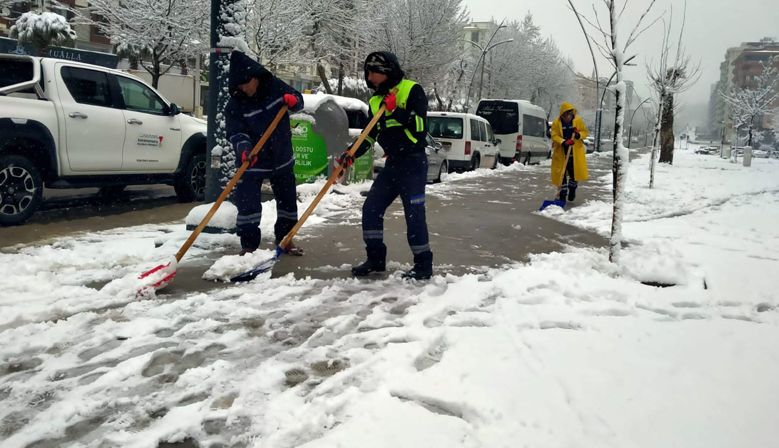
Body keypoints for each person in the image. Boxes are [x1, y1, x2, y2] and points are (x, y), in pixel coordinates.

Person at [340, 51, 433, 280]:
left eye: (374, 72)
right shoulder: (374, 101)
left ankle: (423, 265)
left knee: (414, 216)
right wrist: (353, 151)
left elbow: (420, 129)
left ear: (386, 72)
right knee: (371, 209)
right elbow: (370, 134)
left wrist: (396, 110)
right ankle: (375, 259)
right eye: (368, 72)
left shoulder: (412, 90)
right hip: (392, 164)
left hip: (413, 162)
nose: (369, 77)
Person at [225, 51, 305, 256]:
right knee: (248, 204)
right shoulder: (235, 104)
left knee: (287, 202)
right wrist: (244, 149)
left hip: (281, 157)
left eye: (247, 83)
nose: (244, 88)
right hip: (252, 160)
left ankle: (286, 239)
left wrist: (293, 101)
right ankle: (248, 246)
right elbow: (236, 132)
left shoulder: (274, 86)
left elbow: (298, 100)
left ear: (256, 77)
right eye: (240, 85)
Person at [550, 102, 589, 202]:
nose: (568, 118)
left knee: (574, 175)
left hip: (575, 154)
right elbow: (554, 135)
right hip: (561, 153)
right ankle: (562, 195)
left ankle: (572, 190)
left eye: (570, 115)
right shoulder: (556, 123)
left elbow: (585, 132)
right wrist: (563, 142)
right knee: (561, 175)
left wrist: (578, 135)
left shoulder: (578, 121)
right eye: (566, 116)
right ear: (562, 115)